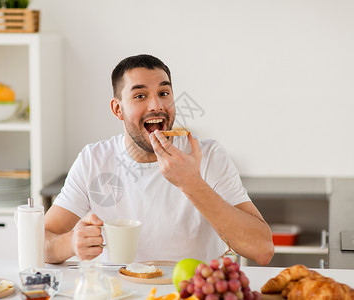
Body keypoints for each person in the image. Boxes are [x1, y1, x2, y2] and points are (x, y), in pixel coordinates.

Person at [44, 54, 274, 265]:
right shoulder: (93, 160)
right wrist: (70, 243)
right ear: (118, 109)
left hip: (193, 291)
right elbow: (41, 242)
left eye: (164, 93)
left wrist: (191, 183)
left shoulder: (210, 155)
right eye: (140, 96)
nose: (156, 106)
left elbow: (262, 250)